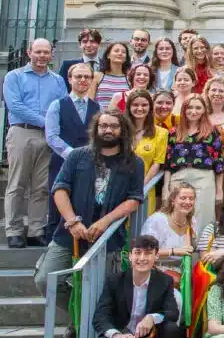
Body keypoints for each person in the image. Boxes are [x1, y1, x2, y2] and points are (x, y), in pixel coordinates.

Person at [35, 110, 145, 297]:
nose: (108, 130)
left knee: (102, 291)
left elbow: (134, 200)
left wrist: (105, 222)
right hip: (69, 234)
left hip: (108, 238)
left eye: (114, 126)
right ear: (96, 129)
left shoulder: (135, 162)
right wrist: (72, 221)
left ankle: (89, 314)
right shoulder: (77, 156)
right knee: (46, 280)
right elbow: (60, 190)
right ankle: (76, 313)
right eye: (103, 126)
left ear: (123, 130)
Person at [3, 38, 67, 246]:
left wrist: (52, 127)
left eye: (46, 52)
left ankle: (36, 229)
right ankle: (14, 230)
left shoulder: (58, 81)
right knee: (17, 184)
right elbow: (15, 105)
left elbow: (63, 105)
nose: (42, 56)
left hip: (48, 137)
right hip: (22, 132)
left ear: (51, 54)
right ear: (29, 53)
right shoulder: (14, 76)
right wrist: (46, 122)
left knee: (41, 186)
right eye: (38, 52)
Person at [46, 63, 102, 241]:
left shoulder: (97, 108)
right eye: (78, 76)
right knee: (58, 199)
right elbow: (51, 136)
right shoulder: (57, 105)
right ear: (70, 79)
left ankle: (83, 239)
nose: (83, 80)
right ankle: (55, 240)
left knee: (85, 200)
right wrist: (72, 155)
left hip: (89, 164)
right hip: (62, 162)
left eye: (87, 77)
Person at [164, 94, 223, 234]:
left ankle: (202, 246)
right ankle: (180, 245)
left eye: (198, 108)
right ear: (184, 109)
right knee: (177, 216)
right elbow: (168, 163)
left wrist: (219, 190)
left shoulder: (211, 132)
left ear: (204, 110)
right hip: (178, 177)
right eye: (190, 107)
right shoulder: (174, 132)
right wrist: (165, 188)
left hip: (203, 177)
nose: (193, 111)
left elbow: (219, 162)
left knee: (203, 217)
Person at [125, 89, 168, 214]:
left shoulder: (161, 133)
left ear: (150, 108)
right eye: (135, 105)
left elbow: (157, 163)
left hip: (144, 187)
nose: (140, 108)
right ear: (129, 107)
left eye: (144, 105)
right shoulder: (120, 130)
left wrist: (141, 185)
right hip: (120, 185)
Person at [143, 182, 197, 280]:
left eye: (191, 198)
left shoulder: (192, 221)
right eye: (183, 198)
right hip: (156, 270)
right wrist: (174, 251)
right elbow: (146, 251)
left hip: (182, 274)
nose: (187, 202)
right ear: (173, 201)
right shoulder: (158, 220)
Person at [90, 42, 131, 107]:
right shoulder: (97, 76)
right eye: (116, 51)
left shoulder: (129, 79)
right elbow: (89, 101)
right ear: (108, 55)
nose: (120, 53)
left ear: (126, 58)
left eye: (123, 52)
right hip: (100, 113)